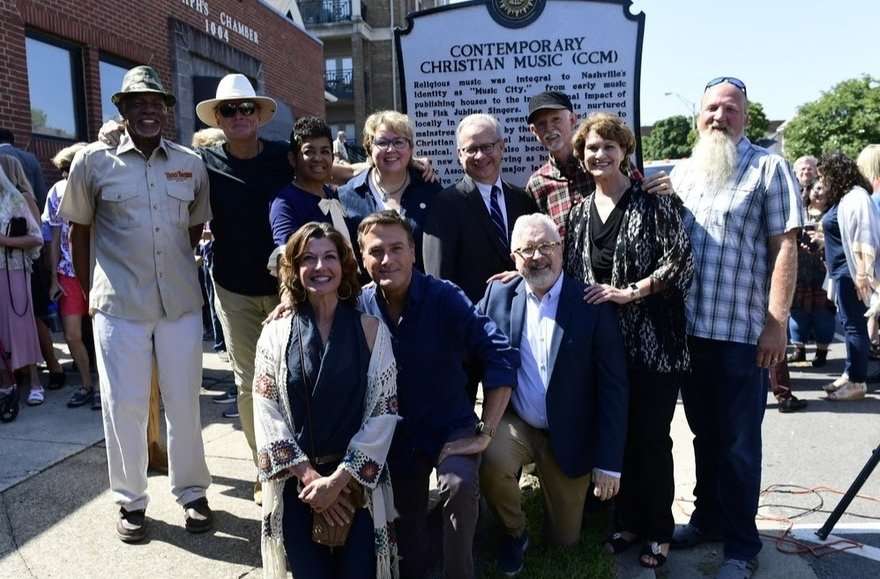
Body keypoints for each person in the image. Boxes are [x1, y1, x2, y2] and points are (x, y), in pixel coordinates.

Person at [59, 65, 213, 542]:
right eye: (138, 103)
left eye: (156, 103)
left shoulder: (190, 162)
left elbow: (192, 227)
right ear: (122, 110)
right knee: (123, 405)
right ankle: (130, 500)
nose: (148, 110)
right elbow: (79, 231)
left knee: (184, 402)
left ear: (165, 111)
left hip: (180, 304)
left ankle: (191, 491)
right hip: (118, 304)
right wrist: (89, 294)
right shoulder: (92, 162)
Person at [669, 77, 801, 579]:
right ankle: (707, 520)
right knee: (702, 436)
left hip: (744, 335)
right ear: (698, 117)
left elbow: (784, 248)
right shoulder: (684, 173)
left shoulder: (769, 168)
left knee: (740, 444)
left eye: (730, 108)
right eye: (710, 108)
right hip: (689, 334)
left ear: (745, 115)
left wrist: (776, 325)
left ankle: (742, 547)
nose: (719, 116)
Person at [564, 113, 694, 569]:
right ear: (580, 158)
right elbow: (568, 275)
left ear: (625, 152)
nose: (599, 155)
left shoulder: (656, 203)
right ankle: (628, 522)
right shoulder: (578, 214)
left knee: (650, 439)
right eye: (591, 149)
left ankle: (659, 530)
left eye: (608, 147)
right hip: (603, 347)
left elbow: (681, 263)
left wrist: (631, 292)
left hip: (654, 343)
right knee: (614, 436)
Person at [357, 210, 517, 579]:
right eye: (376, 251)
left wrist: (485, 433)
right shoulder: (359, 305)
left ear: (414, 251)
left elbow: (500, 355)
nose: (387, 259)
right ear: (362, 258)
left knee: (459, 486)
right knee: (410, 544)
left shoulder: (446, 298)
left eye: (397, 248)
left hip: (451, 427)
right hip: (396, 437)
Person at [478, 213, 629, 575]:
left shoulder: (590, 304)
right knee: (490, 459)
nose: (537, 256)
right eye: (527, 249)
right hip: (520, 424)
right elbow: (466, 348)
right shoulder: (498, 297)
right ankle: (515, 533)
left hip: (571, 433)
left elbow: (614, 388)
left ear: (561, 249)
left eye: (546, 246)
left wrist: (608, 464)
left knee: (565, 540)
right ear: (513, 257)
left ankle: (562, 501)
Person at [254, 222, 399, 579]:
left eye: (329, 257)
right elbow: (265, 411)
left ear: (344, 266)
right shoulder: (274, 335)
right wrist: (309, 478)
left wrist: (336, 484)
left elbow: (385, 410)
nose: (320, 267)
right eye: (309, 258)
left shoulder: (371, 331)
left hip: (355, 488)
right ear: (295, 268)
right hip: (299, 488)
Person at [194, 73, 288, 489]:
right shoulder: (204, 163)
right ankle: (264, 466)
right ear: (217, 118)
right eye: (228, 110)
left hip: (287, 287)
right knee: (249, 383)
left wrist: (408, 160)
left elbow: (333, 168)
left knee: (292, 378)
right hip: (233, 290)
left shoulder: (286, 156)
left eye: (245, 108)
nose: (238, 116)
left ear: (259, 114)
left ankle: (295, 458)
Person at [423, 113, 539, 305]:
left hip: (526, 314)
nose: (480, 156)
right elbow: (438, 278)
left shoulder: (522, 200)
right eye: (471, 149)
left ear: (502, 146)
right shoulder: (445, 205)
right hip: (472, 321)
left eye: (487, 147)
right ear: (459, 154)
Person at [338, 111, 442, 274]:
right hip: (366, 295)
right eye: (382, 142)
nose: (391, 149)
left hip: (422, 294)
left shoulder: (430, 191)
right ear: (369, 146)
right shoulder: (346, 196)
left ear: (411, 148)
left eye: (399, 142)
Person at [41, 142, 100, 410]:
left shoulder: (99, 186)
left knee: (104, 332)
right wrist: (54, 277)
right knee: (73, 334)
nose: (66, 174)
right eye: (64, 169)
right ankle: (87, 384)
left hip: (101, 270)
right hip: (68, 272)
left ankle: (105, 387)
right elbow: (54, 237)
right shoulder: (56, 192)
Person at [817, 152, 877, 401]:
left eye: (825, 175)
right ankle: (851, 373)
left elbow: (866, 235)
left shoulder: (856, 197)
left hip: (852, 273)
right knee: (850, 324)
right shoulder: (845, 197)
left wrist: (863, 274)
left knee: (854, 327)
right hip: (842, 272)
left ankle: (857, 381)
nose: (824, 181)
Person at [0, 163, 44, 412]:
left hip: (14, 270)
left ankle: (35, 382)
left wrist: (4, 240)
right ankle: (7, 383)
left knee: (21, 325)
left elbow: (36, 237)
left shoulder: (15, 200)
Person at [270, 117, 345, 250]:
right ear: (293, 159)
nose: (318, 158)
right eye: (309, 152)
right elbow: (286, 257)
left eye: (325, 151)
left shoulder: (333, 195)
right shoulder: (285, 203)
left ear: (332, 158)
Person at [786, 181, 835, 370]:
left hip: (823, 273)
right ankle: (799, 350)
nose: (820, 193)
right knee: (797, 313)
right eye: (817, 189)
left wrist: (824, 240)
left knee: (823, 314)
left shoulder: (832, 214)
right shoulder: (799, 211)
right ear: (809, 191)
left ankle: (821, 353)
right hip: (799, 270)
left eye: (825, 189)